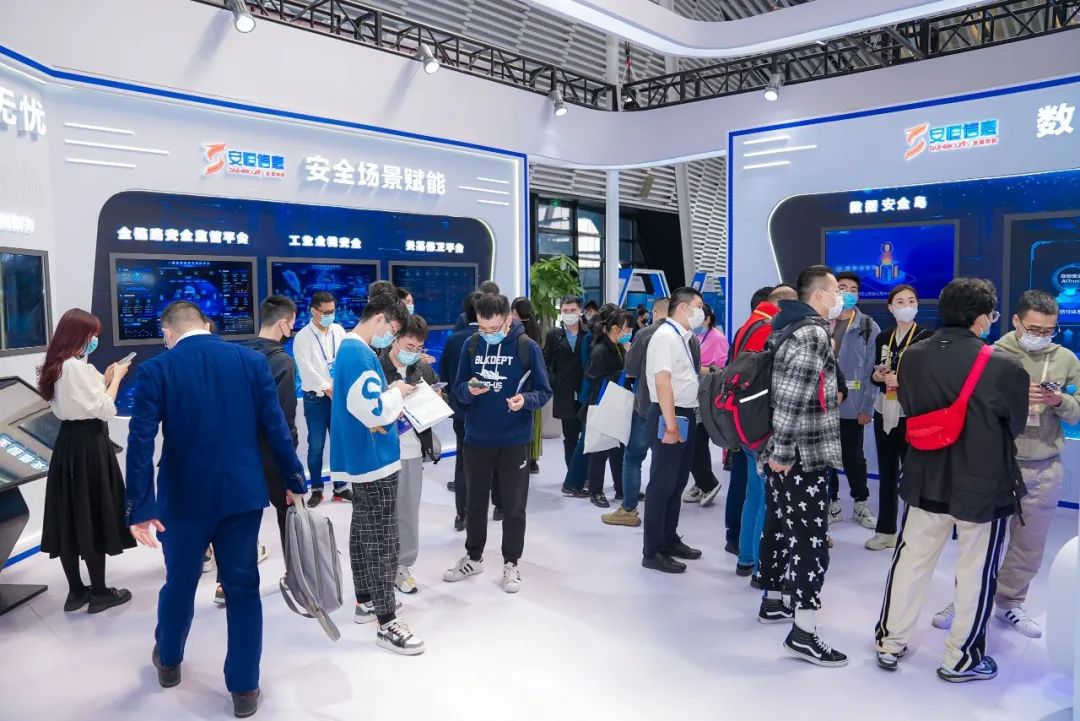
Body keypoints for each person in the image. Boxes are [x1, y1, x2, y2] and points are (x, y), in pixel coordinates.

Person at [125, 301, 307, 718]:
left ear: (167, 332)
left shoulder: (157, 369)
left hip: (182, 500)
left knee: (180, 581)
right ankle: (244, 689)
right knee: (242, 588)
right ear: (206, 325)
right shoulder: (251, 362)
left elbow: (140, 443)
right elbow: (276, 428)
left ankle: (169, 661)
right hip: (241, 495)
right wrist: (295, 479)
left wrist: (140, 506)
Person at [874, 278, 1028, 681]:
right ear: (983, 318)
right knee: (976, 570)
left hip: (925, 474)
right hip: (983, 484)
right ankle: (961, 658)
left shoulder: (913, 356)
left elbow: (909, 405)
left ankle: (890, 642)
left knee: (910, 561)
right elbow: (1015, 425)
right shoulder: (1005, 366)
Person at [930, 290, 1080, 639]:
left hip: (1042, 464)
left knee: (1029, 543)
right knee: (978, 540)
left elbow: (1078, 411)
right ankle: (966, 600)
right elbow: (967, 406)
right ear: (1016, 321)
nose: (1040, 336)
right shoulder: (989, 354)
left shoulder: (1066, 359)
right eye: (1034, 329)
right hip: (994, 462)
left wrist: (1059, 400)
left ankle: (1010, 601)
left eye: (1048, 330)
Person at [757, 265, 847, 667]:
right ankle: (804, 633)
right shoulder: (812, 334)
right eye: (835, 290)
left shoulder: (784, 327)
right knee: (811, 539)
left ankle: (775, 599)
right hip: (800, 455)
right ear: (819, 295)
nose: (840, 297)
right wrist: (781, 452)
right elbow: (792, 398)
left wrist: (775, 452)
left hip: (781, 452)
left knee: (780, 526)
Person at [329, 291, 424, 655]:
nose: (391, 337)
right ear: (381, 319)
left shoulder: (350, 350)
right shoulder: (358, 353)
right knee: (382, 538)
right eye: (394, 329)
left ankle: (366, 600)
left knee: (364, 529)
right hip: (374, 457)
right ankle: (387, 621)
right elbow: (374, 410)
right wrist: (396, 391)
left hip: (364, 456)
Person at [445, 294, 552, 593]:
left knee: (514, 506)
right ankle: (473, 557)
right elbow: (458, 389)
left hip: (514, 441)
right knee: (475, 504)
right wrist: (468, 390)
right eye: (483, 328)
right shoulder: (471, 345)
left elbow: (544, 391)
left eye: (494, 328)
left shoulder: (527, 347)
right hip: (477, 439)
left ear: (508, 319)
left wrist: (525, 400)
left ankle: (511, 563)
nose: (488, 334)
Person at [38, 309, 134, 614]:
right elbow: (104, 408)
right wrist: (117, 380)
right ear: (79, 335)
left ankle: (76, 592)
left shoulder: (58, 365)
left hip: (67, 445)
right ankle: (100, 592)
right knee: (92, 512)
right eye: (92, 335)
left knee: (69, 516)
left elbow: (81, 399)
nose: (94, 340)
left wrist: (105, 378)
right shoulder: (76, 368)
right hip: (89, 446)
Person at [212, 296, 300, 607]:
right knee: (288, 512)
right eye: (292, 323)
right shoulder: (282, 362)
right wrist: (292, 467)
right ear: (284, 323)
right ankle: (295, 576)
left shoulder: (235, 355)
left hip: (235, 452)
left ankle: (226, 584)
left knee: (238, 520)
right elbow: (284, 418)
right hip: (271, 454)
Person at [601, 297, 692, 527]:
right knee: (667, 464)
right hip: (681, 408)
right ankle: (665, 513)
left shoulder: (646, 334)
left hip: (647, 406)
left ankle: (629, 509)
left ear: (655, 312)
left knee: (633, 457)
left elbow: (631, 369)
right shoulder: (689, 337)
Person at [729, 284, 797, 579]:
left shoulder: (747, 325)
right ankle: (762, 566)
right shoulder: (771, 329)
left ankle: (746, 558)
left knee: (754, 494)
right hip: (763, 426)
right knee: (768, 499)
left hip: (745, 422)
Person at [641, 287, 705, 573]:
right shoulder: (665, 336)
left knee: (677, 482)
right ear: (682, 308)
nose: (701, 312)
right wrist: (670, 425)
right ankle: (653, 551)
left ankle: (669, 539)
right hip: (670, 414)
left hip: (684, 413)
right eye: (698, 306)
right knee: (662, 484)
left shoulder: (683, 337)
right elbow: (663, 382)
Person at [865, 285, 933, 552]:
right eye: (900, 302)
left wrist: (902, 381)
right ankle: (886, 531)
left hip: (911, 412)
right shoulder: (884, 337)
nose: (907, 306)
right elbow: (875, 374)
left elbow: (930, 378)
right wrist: (877, 377)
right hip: (885, 409)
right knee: (887, 472)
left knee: (915, 474)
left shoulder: (927, 337)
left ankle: (916, 534)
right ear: (891, 308)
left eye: (911, 301)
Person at [379, 313, 440, 596]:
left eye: (418, 348)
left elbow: (437, 395)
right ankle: (381, 565)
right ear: (394, 339)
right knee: (382, 513)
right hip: (382, 451)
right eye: (408, 346)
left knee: (408, 511)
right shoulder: (376, 367)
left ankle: (403, 565)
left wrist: (436, 400)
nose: (413, 353)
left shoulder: (423, 369)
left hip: (413, 450)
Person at [563, 304, 631, 507]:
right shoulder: (600, 349)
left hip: (616, 403)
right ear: (615, 328)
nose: (628, 331)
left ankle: (622, 488)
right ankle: (595, 491)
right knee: (598, 450)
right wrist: (621, 375)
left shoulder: (618, 347)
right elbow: (595, 377)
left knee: (618, 448)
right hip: (601, 404)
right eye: (626, 328)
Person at [829, 272, 880, 529]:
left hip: (853, 406)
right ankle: (832, 503)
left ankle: (861, 502)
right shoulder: (822, 323)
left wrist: (867, 406)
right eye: (842, 288)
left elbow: (873, 370)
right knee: (826, 458)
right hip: (823, 407)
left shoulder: (868, 326)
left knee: (854, 458)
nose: (847, 293)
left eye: (852, 289)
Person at [292, 291, 351, 507]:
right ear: (313, 311)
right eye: (325, 312)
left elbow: (345, 360)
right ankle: (316, 488)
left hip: (339, 396)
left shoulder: (339, 331)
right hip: (316, 398)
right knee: (316, 445)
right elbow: (306, 369)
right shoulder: (303, 337)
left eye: (332, 311)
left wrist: (340, 387)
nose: (329, 316)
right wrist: (326, 387)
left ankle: (341, 488)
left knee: (340, 443)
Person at [441, 292, 482, 530]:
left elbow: (445, 375)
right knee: (495, 460)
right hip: (488, 413)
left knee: (463, 462)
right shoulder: (491, 340)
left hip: (461, 410)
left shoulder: (454, 339)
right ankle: (499, 506)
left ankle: (462, 515)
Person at [683, 303, 729, 507]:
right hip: (693, 395)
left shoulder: (716, 338)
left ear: (708, 319)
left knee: (697, 442)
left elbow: (720, 370)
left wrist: (698, 369)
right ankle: (701, 482)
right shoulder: (694, 336)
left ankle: (707, 482)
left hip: (706, 397)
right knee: (694, 442)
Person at [544, 295, 589, 468]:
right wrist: (553, 382)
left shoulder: (589, 333)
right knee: (570, 437)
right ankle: (572, 476)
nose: (569, 314)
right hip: (564, 393)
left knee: (587, 437)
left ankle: (585, 475)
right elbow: (546, 361)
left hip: (586, 393)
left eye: (573, 310)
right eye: (565, 311)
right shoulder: (554, 335)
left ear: (580, 311)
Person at [512, 297, 545, 475]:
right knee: (535, 424)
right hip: (535, 387)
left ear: (514, 312)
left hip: (520, 387)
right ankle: (533, 460)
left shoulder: (515, 332)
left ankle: (523, 458)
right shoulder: (536, 328)